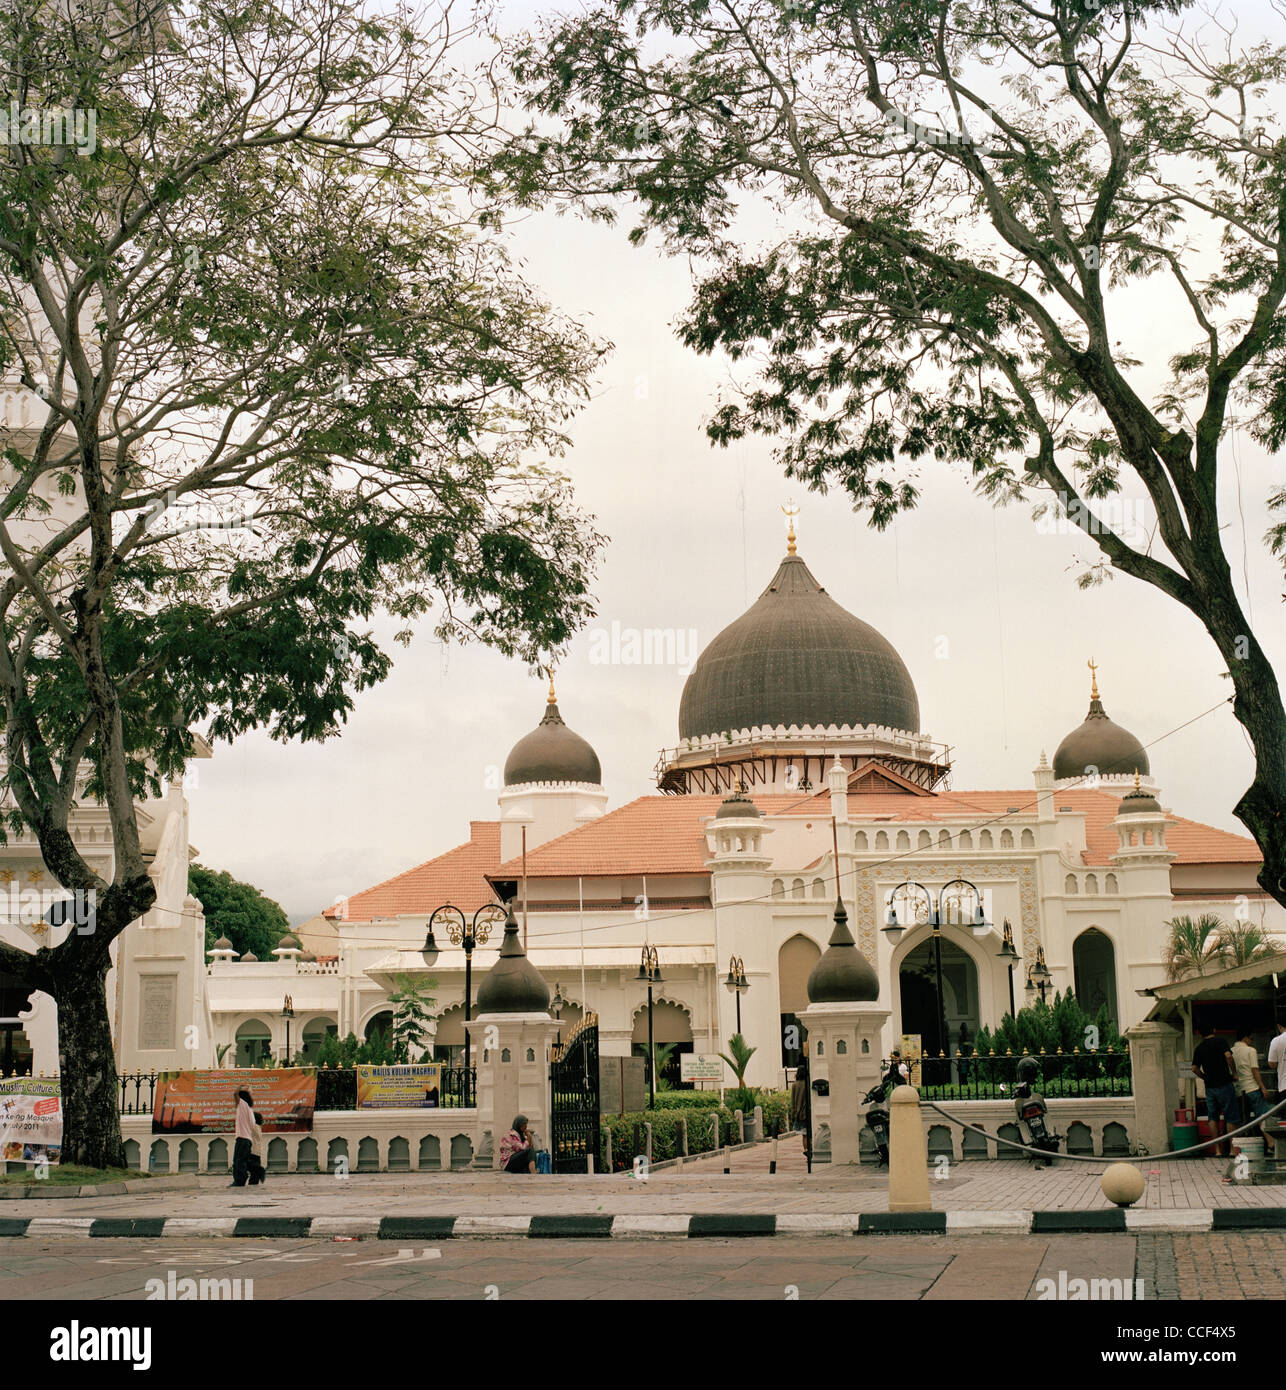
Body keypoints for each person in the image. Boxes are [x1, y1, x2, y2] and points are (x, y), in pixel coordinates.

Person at [1192, 1024, 1237, 1159]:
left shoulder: (1199, 1048)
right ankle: (1232, 1149)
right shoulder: (1221, 1041)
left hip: (1210, 1087)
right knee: (1230, 1116)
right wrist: (1234, 1072)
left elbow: (1194, 1068)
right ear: (1214, 1030)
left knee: (1213, 1117)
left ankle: (1217, 1150)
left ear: (1200, 1034)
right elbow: (1228, 1056)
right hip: (1224, 1083)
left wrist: (1204, 1077)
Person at [230, 1090, 255, 1187]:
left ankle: (239, 1181)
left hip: (242, 1138)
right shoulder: (250, 1109)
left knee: (238, 1161)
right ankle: (242, 1179)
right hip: (248, 1140)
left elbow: (235, 1094)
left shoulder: (242, 1105)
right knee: (242, 1161)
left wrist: (240, 1087)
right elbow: (252, 1125)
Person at [247, 1110, 267, 1186]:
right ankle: (253, 1184)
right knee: (254, 1174)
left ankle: (260, 1169)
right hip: (257, 1151)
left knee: (247, 1164)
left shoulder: (253, 1126)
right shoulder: (258, 1127)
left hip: (251, 1150)